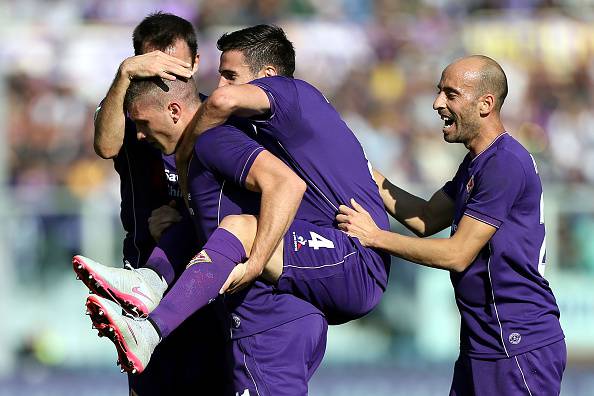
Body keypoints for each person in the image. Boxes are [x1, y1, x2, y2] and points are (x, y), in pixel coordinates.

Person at [336, 55, 566, 395]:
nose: (437, 103)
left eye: (450, 94)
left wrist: (374, 237)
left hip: (516, 342)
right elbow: (427, 218)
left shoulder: (504, 163)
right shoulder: (478, 161)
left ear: (485, 104)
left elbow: (458, 254)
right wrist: (363, 170)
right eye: (438, 92)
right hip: (483, 341)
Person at [87, 75, 328, 395]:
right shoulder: (203, 153)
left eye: (230, 74)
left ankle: (148, 311)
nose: (140, 135)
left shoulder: (215, 140)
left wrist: (255, 262)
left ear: (174, 109)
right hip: (248, 320)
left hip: (270, 322)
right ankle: (147, 287)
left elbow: (287, 186)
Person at [82, 12, 232, 396]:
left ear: (196, 64)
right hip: (145, 277)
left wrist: (185, 215)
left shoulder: (220, 123)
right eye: (151, 67)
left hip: (209, 286)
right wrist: (124, 76)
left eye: (176, 67)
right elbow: (105, 146)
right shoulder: (133, 120)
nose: (164, 77)